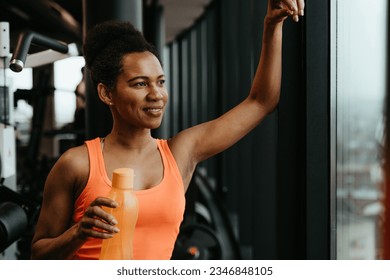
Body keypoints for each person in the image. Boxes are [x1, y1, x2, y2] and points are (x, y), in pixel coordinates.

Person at [30, 0, 305, 260]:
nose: (156, 94)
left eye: (160, 82)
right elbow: (38, 254)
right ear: (106, 93)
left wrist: (272, 25)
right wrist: (77, 234)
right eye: (140, 84)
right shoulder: (76, 164)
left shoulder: (181, 153)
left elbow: (261, 102)